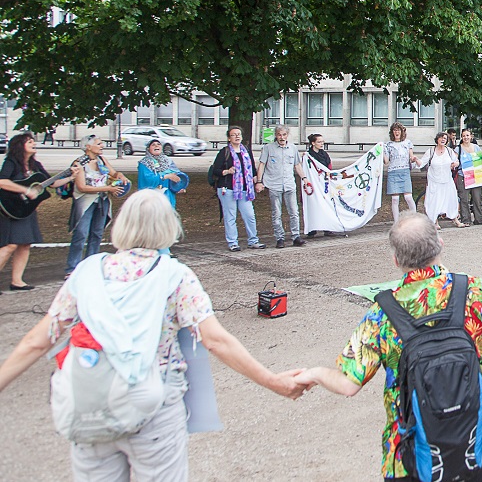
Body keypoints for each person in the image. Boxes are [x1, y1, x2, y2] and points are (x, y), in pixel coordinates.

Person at [0, 190, 306, 481]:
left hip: (90, 403)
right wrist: (273, 381)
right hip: (154, 407)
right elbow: (216, 340)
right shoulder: (175, 275)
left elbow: (38, 340)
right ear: (168, 227)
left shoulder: (88, 271)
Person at [293, 212, 482, 482]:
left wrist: (314, 374)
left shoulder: (382, 313)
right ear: (440, 244)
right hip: (473, 446)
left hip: (411, 454)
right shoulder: (473, 291)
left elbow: (347, 383)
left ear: (396, 260)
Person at [0, 134, 75, 291]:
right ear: (20, 145)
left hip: (26, 209)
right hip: (10, 208)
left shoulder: (36, 165)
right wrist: (25, 190)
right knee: (10, 245)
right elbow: (2, 181)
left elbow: (52, 183)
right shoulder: (11, 162)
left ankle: (17, 281)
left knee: (25, 244)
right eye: (30, 141)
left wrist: (70, 176)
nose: (34, 143)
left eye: (34, 141)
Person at [67, 135, 129, 275]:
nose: (102, 146)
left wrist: (121, 176)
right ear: (88, 146)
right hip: (85, 202)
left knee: (97, 233)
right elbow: (82, 187)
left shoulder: (101, 160)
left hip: (102, 201)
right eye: (99, 144)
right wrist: (107, 189)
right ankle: (72, 268)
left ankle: (91, 265)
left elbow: (113, 173)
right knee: (81, 234)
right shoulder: (79, 163)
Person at [212, 126, 265, 252]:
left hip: (245, 189)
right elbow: (216, 170)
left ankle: (253, 240)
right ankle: (233, 242)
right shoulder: (224, 152)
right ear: (229, 138)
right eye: (233, 134)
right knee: (230, 216)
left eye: (239, 134)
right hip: (228, 188)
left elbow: (252, 169)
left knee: (249, 215)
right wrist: (227, 171)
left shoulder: (245, 151)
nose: (237, 136)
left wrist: (257, 182)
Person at [256, 125, 306, 249]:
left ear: (287, 135)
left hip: (289, 184)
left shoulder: (293, 148)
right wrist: (259, 181)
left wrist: (305, 179)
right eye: (279, 134)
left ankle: (296, 236)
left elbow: (297, 165)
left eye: (284, 134)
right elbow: (262, 165)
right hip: (274, 184)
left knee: (294, 212)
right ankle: (280, 238)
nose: (282, 137)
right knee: (276, 213)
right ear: (276, 135)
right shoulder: (268, 148)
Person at [303, 134, 345, 238]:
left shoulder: (324, 155)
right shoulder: (308, 155)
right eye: (319, 142)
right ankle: (312, 228)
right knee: (313, 204)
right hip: (314, 183)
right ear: (313, 143)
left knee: (327, 204)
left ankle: (328, 227)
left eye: (322, 142)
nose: (321, 144)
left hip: (324, 184)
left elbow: (328, 167)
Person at [417, 132, 463, 230]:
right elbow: (421, 163)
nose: (443, 140)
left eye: (445, 138)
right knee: (434, 201)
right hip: (434, 181)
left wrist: (455, 164)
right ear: (437, 139)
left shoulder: (449, 151)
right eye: (441, 138)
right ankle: (435, 221)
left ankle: (455, 219)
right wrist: (415, 159)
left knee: (451, 200)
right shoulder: (431, 151)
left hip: (447, 180)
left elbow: (457, 162)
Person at [383, 122, 419, 221]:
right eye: (395, 130)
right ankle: (396, 222)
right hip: (393, 172)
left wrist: (414, 159)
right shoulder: (388, 145)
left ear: (402, 132)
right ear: (392, 132)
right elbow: (386, 162)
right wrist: (381, 152)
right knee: (395, 199)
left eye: (398, 130)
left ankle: (414, 218)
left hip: (404, 171)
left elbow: (411, 157)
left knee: (408, 197)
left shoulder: (407, 143)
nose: (397, 132)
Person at [136, 140, 187, 208]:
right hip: (151, 200)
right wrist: (165, 176)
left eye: (158, 144)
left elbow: (177, 176)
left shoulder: (168, 161)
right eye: (153, 145)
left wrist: (179, 187)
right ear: (148, 149)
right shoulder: (144, 163)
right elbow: (147, 181)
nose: (156, 146)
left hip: (168, 198)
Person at [455, 129, 482, 226]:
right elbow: (455, 160)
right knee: (464, 199)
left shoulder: (476, 147)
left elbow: (480, 160)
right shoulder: (458, 149)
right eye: (464, 136)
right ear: (462, 137)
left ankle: (479, 219)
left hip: (476, 176)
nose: (466, 138)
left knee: (477, 198)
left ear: (471, 136)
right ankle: (466, 220)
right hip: (463, 176)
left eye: (467, 135)